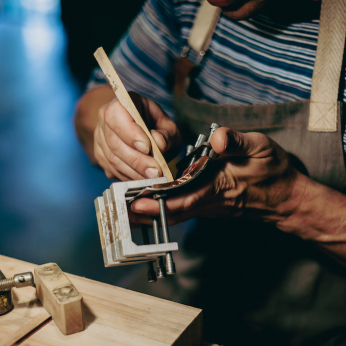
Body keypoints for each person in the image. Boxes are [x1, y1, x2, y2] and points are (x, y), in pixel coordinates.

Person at [74, 0, 346, 344]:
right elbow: (90, 107)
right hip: (201, 282)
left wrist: (293, 203)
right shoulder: (183, 5)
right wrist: (111, 132)